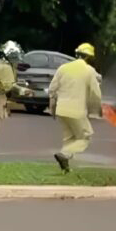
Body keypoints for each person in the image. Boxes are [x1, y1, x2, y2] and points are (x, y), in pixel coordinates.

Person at [49, 42, 103, 173]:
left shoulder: (63, 68)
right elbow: (95, 93)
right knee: (85, 136)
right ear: (89, 57)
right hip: (77, 110)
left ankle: (65, 168)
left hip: (62, 109)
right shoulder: (89, 71)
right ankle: (65, 155)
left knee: (69, 138)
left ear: (76, 54)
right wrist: (97, 110)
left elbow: (52, 90)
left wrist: (52, 108)